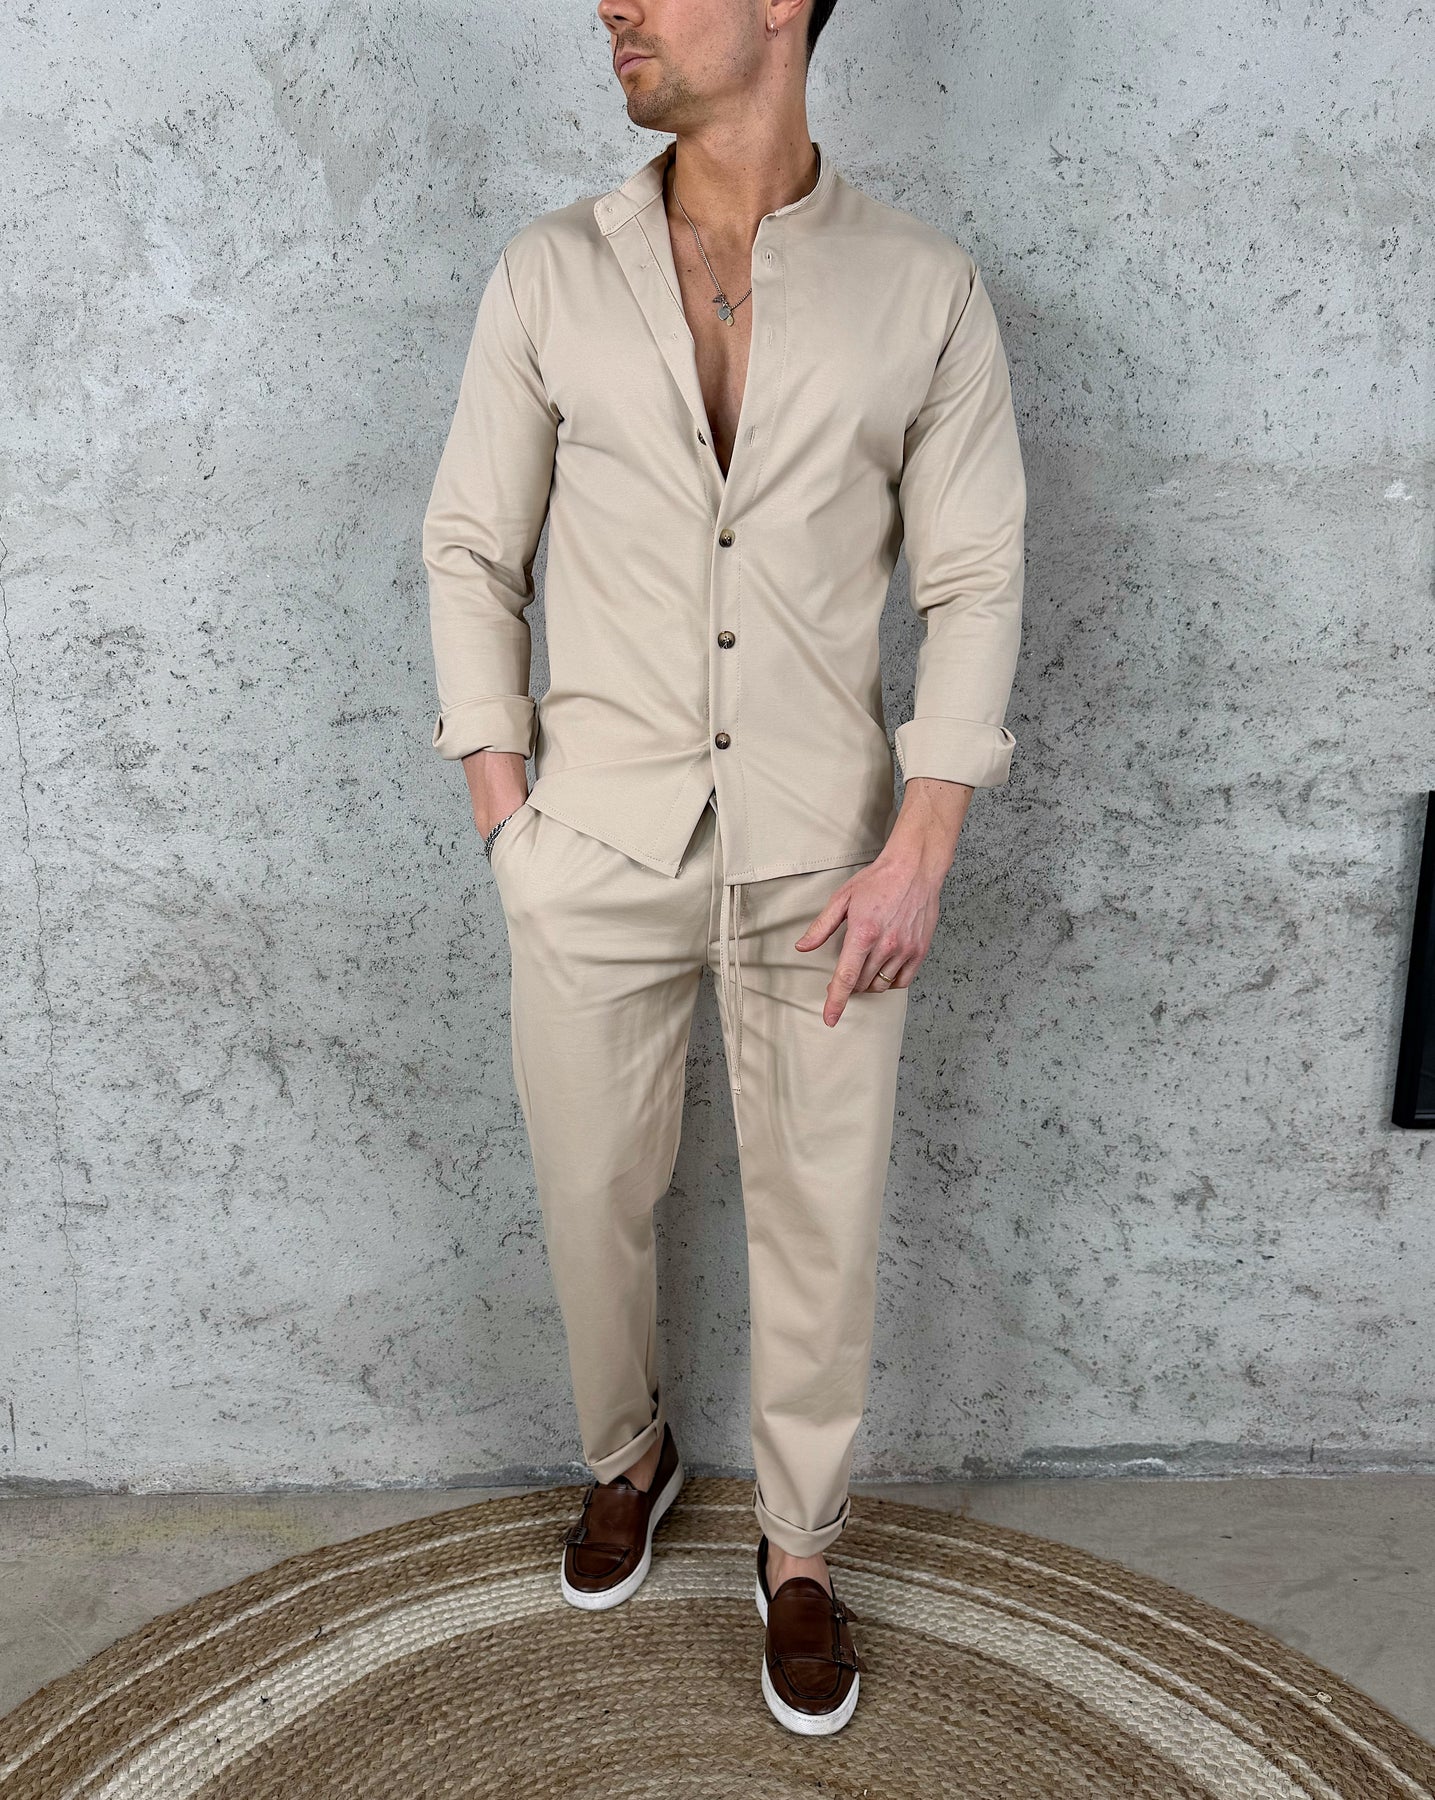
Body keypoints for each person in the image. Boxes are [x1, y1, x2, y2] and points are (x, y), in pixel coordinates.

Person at [422, 0, 1026, 1735]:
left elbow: (974, 580)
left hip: (831, 855)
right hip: (593, 839)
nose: (611, 5)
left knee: (823, 1218)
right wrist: (509, 821)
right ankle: (630, 1454)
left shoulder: (926, 290)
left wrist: (920, 849)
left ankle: (802, 1548)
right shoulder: (549, 275)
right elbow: (471, 544)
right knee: (590, 1191)